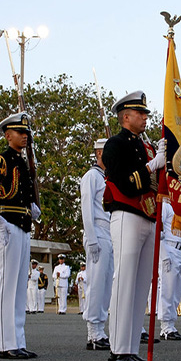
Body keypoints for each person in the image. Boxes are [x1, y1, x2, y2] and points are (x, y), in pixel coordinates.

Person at [102, 91, 166, 361]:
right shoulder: (115, 145)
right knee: (125, 281)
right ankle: (118, 350)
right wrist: (153, 164)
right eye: (140, 114)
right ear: (125, 117)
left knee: (141, 286)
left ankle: (129, 347)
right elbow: (126, 182)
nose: (144, 117)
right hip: (127, 213)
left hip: (148, 215)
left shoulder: (144, 145)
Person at [0, 112, 40, 360]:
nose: (24, 136)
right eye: (20, 132)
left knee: (19, 289)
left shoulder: (22, 162)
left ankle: (18, 341)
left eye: (26, 133)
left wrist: (33, 205)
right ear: (7, 135)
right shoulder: (1, 160)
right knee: (8, 287)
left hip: (23, 225)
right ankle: (6, 344)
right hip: (9, 224)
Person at [81, 138, 114, 350]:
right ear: (100, 154)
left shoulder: (107, 178)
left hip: (110, 232)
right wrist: (91, 238)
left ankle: (101, 328)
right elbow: (86, 208)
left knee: (106, 284)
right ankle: (93, 331)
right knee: (96, 283)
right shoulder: (91, 176)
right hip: (98, 232)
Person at [157, 201, 181, 341]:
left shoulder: (178, 208)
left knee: (176, 291)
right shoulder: (165, 205)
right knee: (167, 290)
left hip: (180, 251)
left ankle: (171, 324)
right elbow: (159, 229)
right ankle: (166, 327)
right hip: (169, 249)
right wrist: (163, 255)